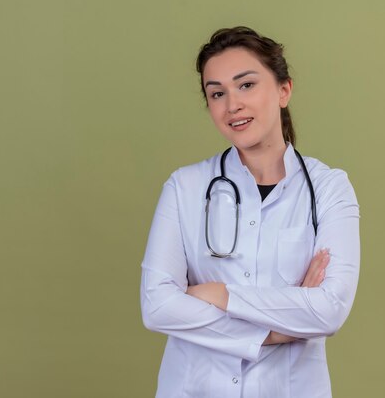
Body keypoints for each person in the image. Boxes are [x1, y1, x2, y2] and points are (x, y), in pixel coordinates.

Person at [140, 26, 360, 398]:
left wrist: (219, 294)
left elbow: (330, 309)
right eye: (217, 93)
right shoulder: (185, 188)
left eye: (246, 85)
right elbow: (158, 306)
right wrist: (280, 330)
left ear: (283, 90)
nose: (232, 105)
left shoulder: (328, 188)